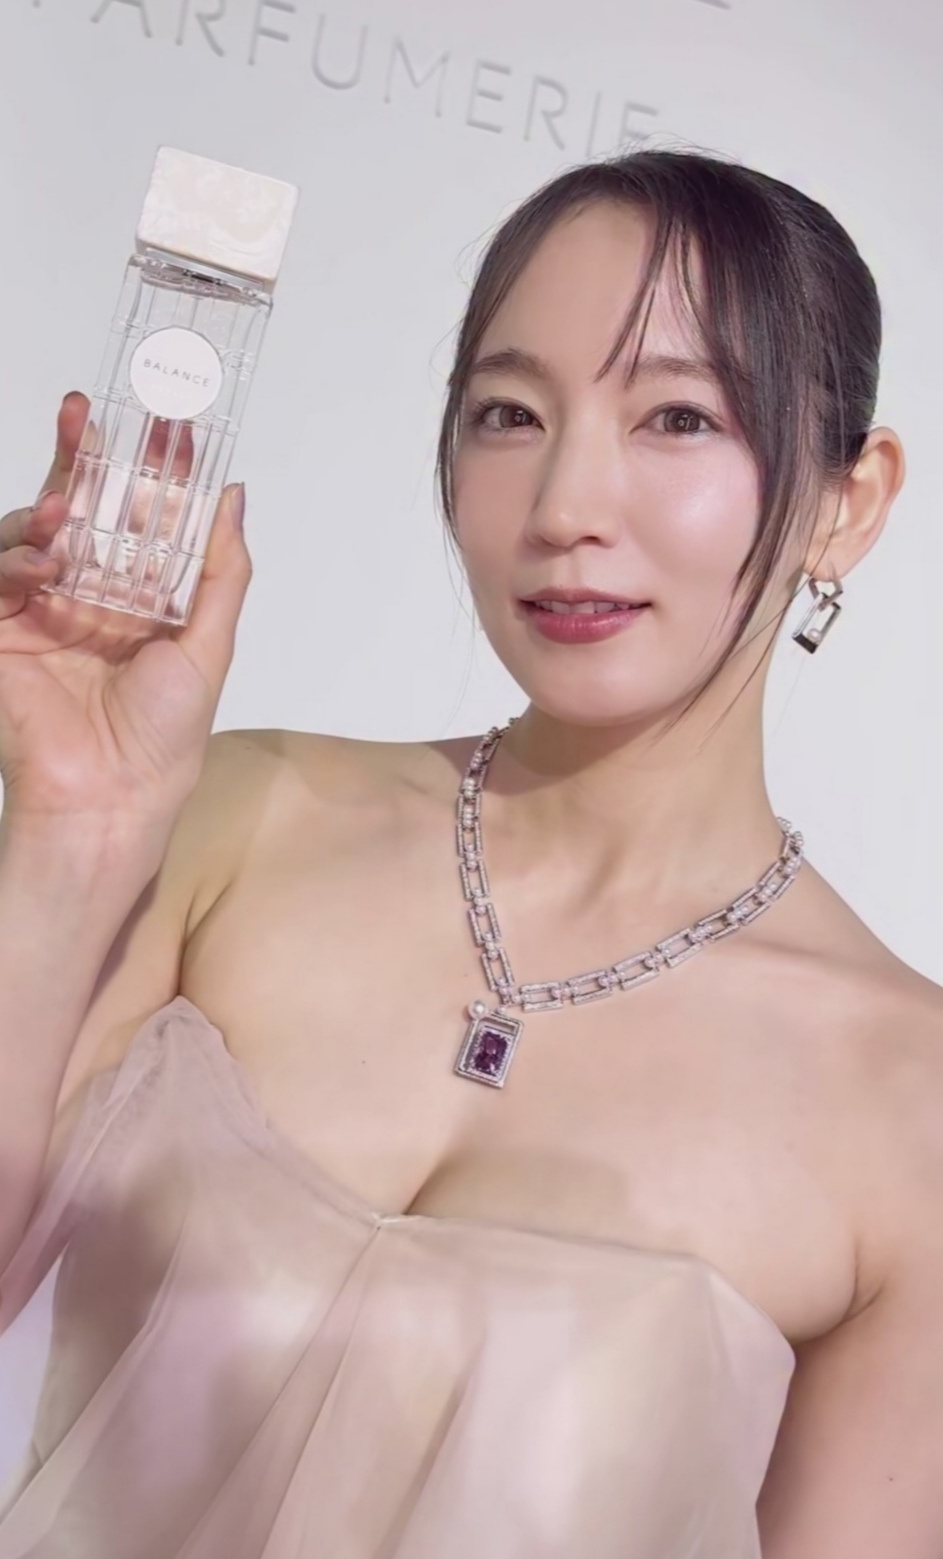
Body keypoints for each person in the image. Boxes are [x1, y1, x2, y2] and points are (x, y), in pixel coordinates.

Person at [0, 143, 937, 1559]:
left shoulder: (911, 1110)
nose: (565, 506)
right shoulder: (237, 821)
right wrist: (73, 832)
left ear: (844, 503)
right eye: (510, 412)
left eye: (678, 418)